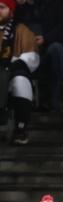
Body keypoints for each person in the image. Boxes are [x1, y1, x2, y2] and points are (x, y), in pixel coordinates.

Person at [0, 0, 39, 145]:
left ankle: (20, 128)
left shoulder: (21, 30)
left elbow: (32, 56)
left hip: (10, 74)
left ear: (10, 10)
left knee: (21, 81)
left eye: (1, 7)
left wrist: (15, 65)